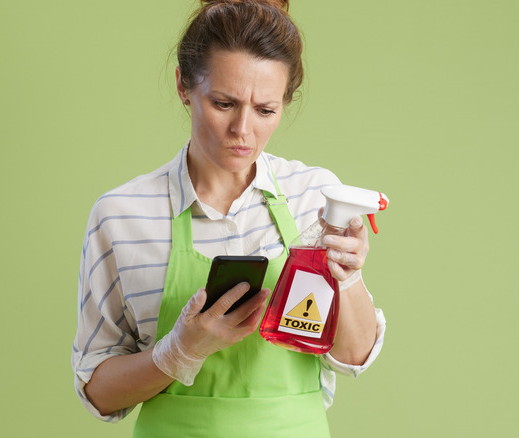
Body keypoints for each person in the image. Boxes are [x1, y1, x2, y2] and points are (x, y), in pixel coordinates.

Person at [71, 1, 386, 436]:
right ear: (183, 85)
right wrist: (177, 352)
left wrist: (347, 278)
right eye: (223, 103)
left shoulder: (314, 197)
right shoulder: (122, 215)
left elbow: (354, 357)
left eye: (266, 110)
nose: (243, 129)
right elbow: (99, 392)